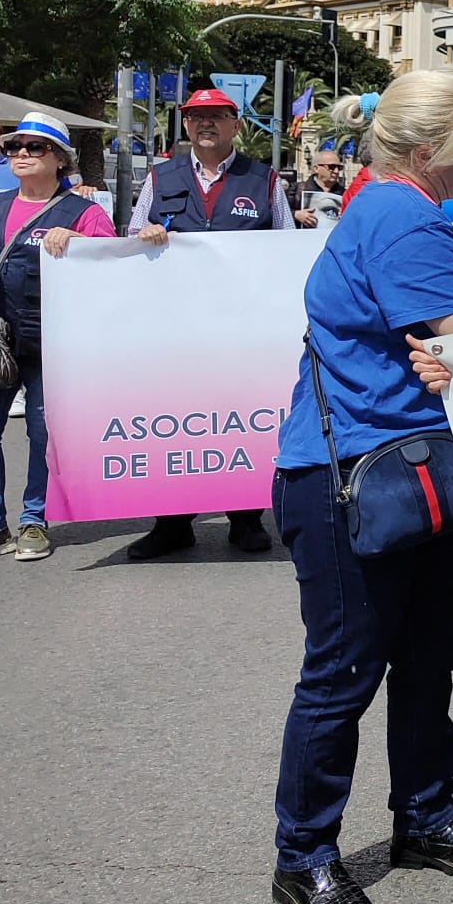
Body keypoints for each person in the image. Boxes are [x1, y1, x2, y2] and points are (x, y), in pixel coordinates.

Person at [268, 75, 453, 904]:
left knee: (425, 656)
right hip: (355, 476)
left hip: (393, 470)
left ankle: (423, 816)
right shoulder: (406, 214)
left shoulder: (384, 206)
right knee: (344, 677)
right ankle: (305, 855)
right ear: (427, 155)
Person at [123, 87, 293, 560]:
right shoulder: (159, 179)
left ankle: (246, 520)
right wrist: (145, 235)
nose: (205, 124)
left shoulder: (265, 180)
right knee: (176, 421)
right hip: (175, 330)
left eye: (217, 116)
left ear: (236, 125)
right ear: (185, 126)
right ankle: (172, 524)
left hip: (243, 331)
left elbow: (287, 248)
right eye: (196, 117)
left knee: (238, 421)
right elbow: (131, 240)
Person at [0, 114, 117, 566]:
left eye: (35, 147)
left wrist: (82, 242)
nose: (21, 154)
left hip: (54, 343)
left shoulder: (84, 212)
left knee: (45, 435)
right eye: (15, 147)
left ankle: (33, 519)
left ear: (60, 160)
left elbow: (115, 269)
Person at [295, 149, 347, 225]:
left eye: (339, 168)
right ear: (316, 168)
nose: (336, 171)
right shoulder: (298, 190)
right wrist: (296, 214)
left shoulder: (345, 193)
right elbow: (280, 214)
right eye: (331, 167)